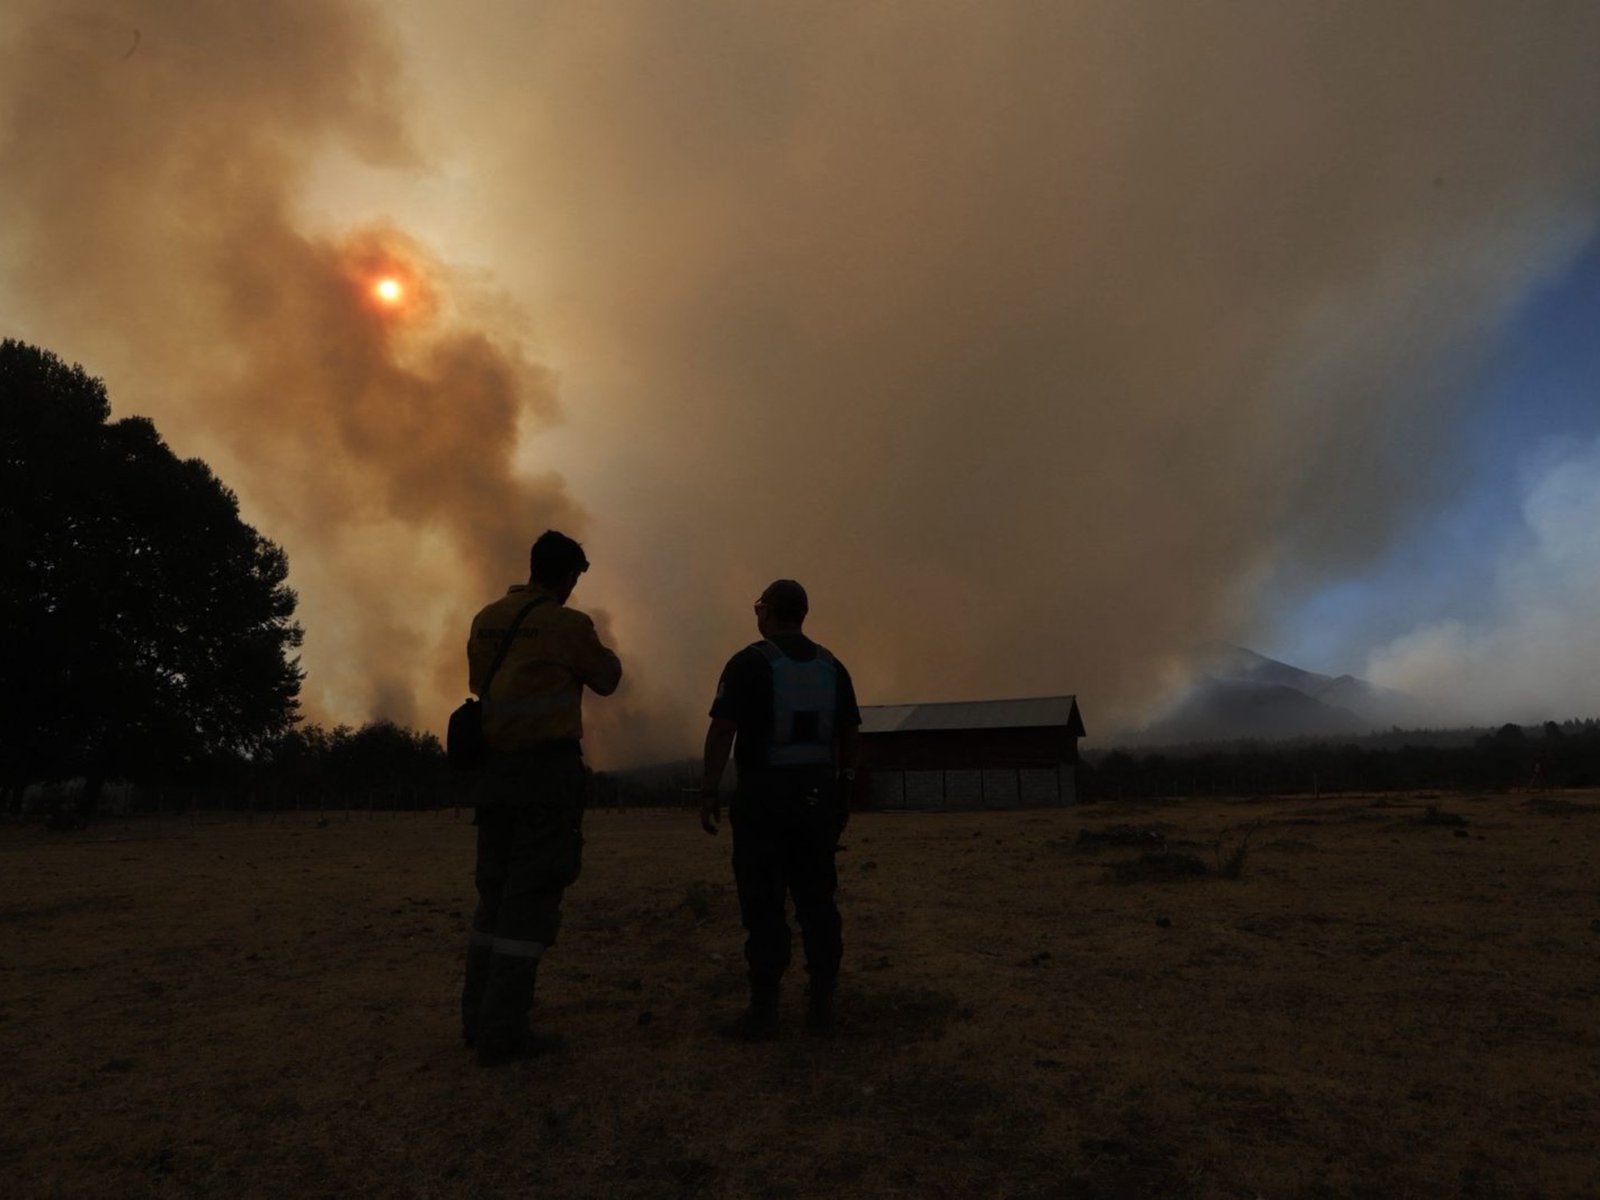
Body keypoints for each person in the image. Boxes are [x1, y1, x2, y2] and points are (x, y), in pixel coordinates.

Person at [461, 530, 622, 1066]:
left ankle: (475, 1019)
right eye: (576, 578)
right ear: (568, 576)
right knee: (528, 906)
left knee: (494, 894)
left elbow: (484, 685)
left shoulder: (486, 619)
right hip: (544, 779)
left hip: (494, 777)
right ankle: (503, 1035)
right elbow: (607, 679)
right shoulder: (566, 624)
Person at [700, 579, 861, 1040]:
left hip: (763, 802)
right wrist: (844, 790)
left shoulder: (749, 663)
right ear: (803, 615)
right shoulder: (834, 667)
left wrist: (709, 790)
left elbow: (722, 731)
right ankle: (822, 1005)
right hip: (817, 800)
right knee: (818, 901)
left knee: (764, 903)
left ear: (767, 613)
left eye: (759, 608)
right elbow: (850, 737)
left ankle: (764, 1010)